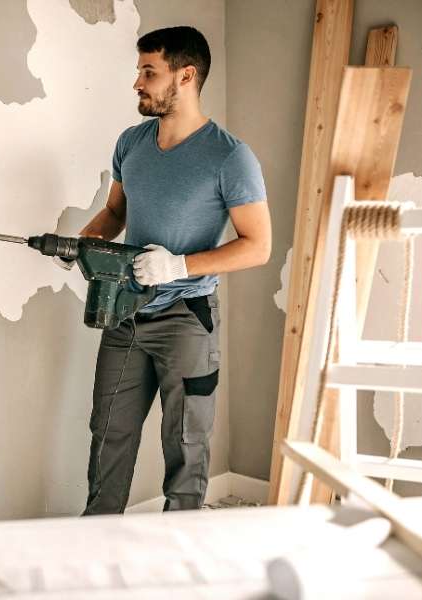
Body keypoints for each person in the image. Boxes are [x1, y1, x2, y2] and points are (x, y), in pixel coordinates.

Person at [79, 26, 271, 514]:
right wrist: (87, 242)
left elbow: (258, 247)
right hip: (124, 313)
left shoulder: (229, 156)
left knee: (186, 444)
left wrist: (179, 265)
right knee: (107, 436)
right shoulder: (131, 143)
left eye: (149, 72)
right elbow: (115, 212)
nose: (137, 83)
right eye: (139, 71)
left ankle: (180, 543)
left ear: (185, 76)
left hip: (186, 318)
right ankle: (95, 539)